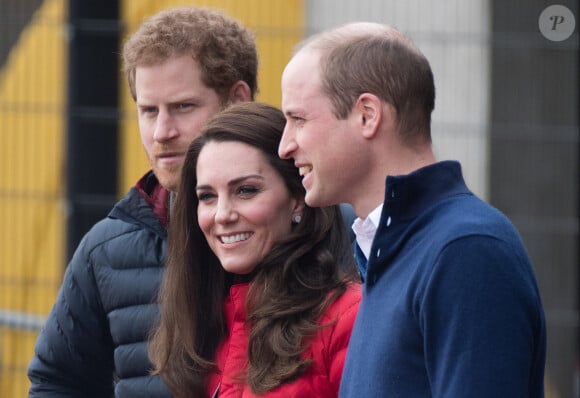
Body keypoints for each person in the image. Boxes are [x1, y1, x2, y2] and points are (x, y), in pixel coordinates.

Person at [278, 22, 547, 397]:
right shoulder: (393, 246)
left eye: (298, 119)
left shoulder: (466, 250)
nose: (285, 146)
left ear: (367, 115)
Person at [27, 7, 257, 397]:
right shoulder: (106, 251)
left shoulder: (312, 228)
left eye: (183, 107)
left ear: (237, 99)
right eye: (149, 111)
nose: (162, 132)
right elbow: (57, 382)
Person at [149, 102, 361, 398]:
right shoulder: (202, 322)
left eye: (246, 190)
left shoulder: (348, 317)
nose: (222, 214)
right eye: (207, 196)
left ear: (297, 199)